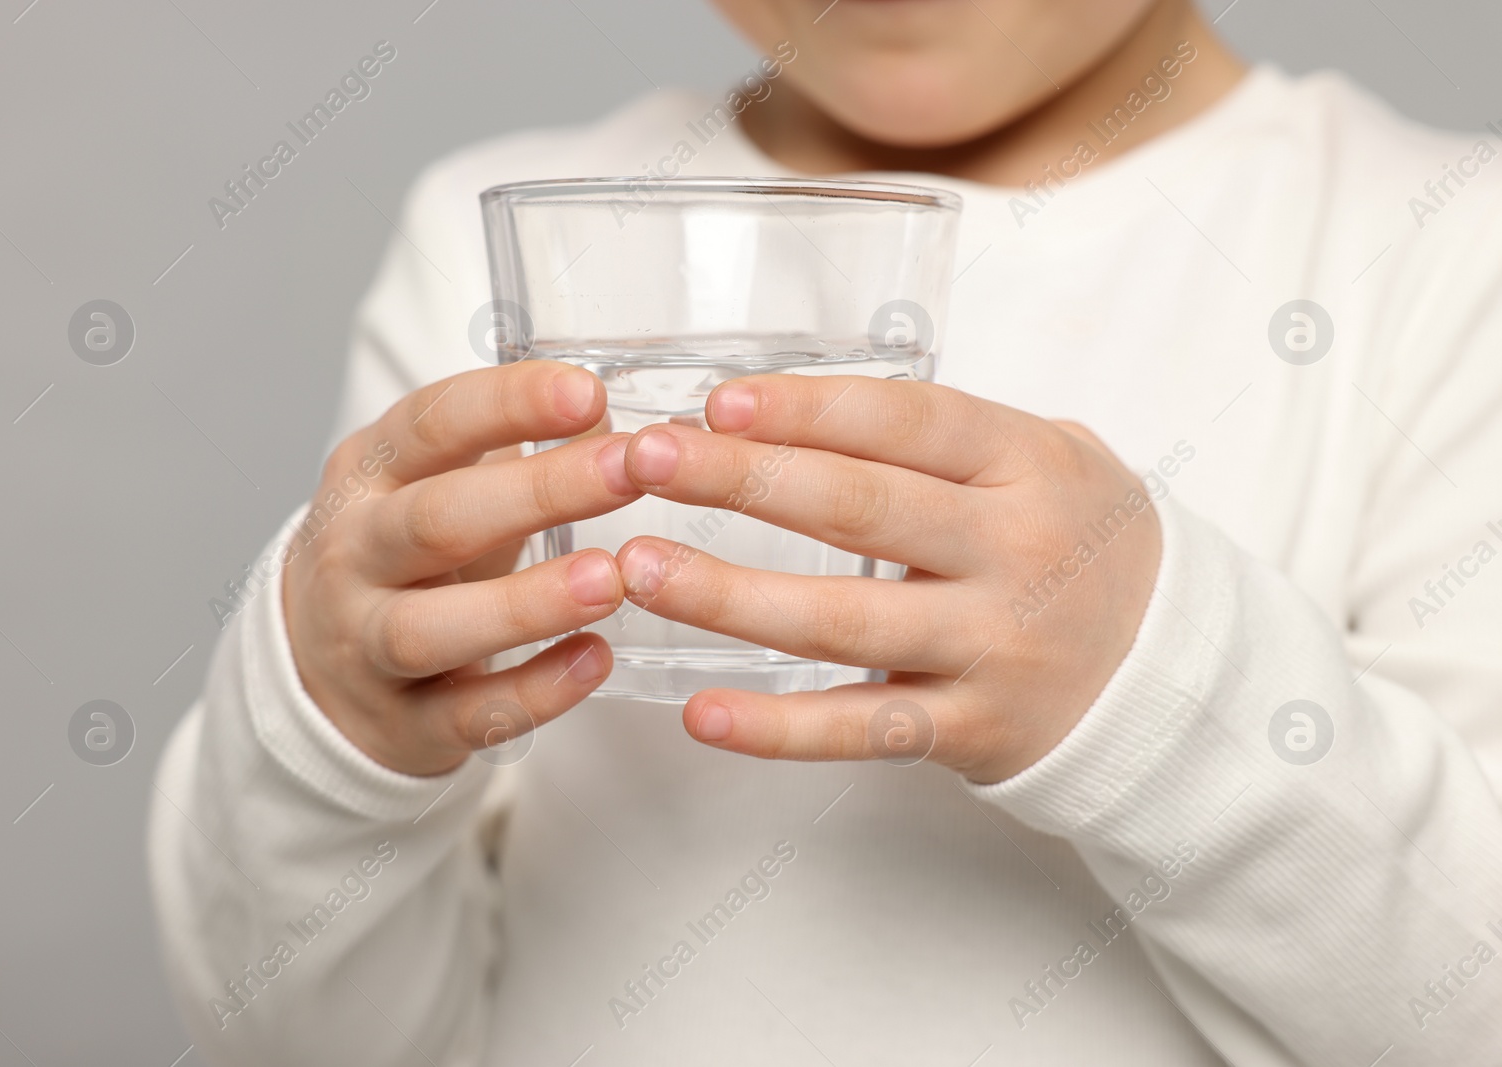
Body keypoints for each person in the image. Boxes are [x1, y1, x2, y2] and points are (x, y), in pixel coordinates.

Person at [149, 1, 1502, 1063]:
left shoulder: (1445, 255)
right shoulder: (494, 241)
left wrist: (1157, 685)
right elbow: (302, 1044)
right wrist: (329, 732)